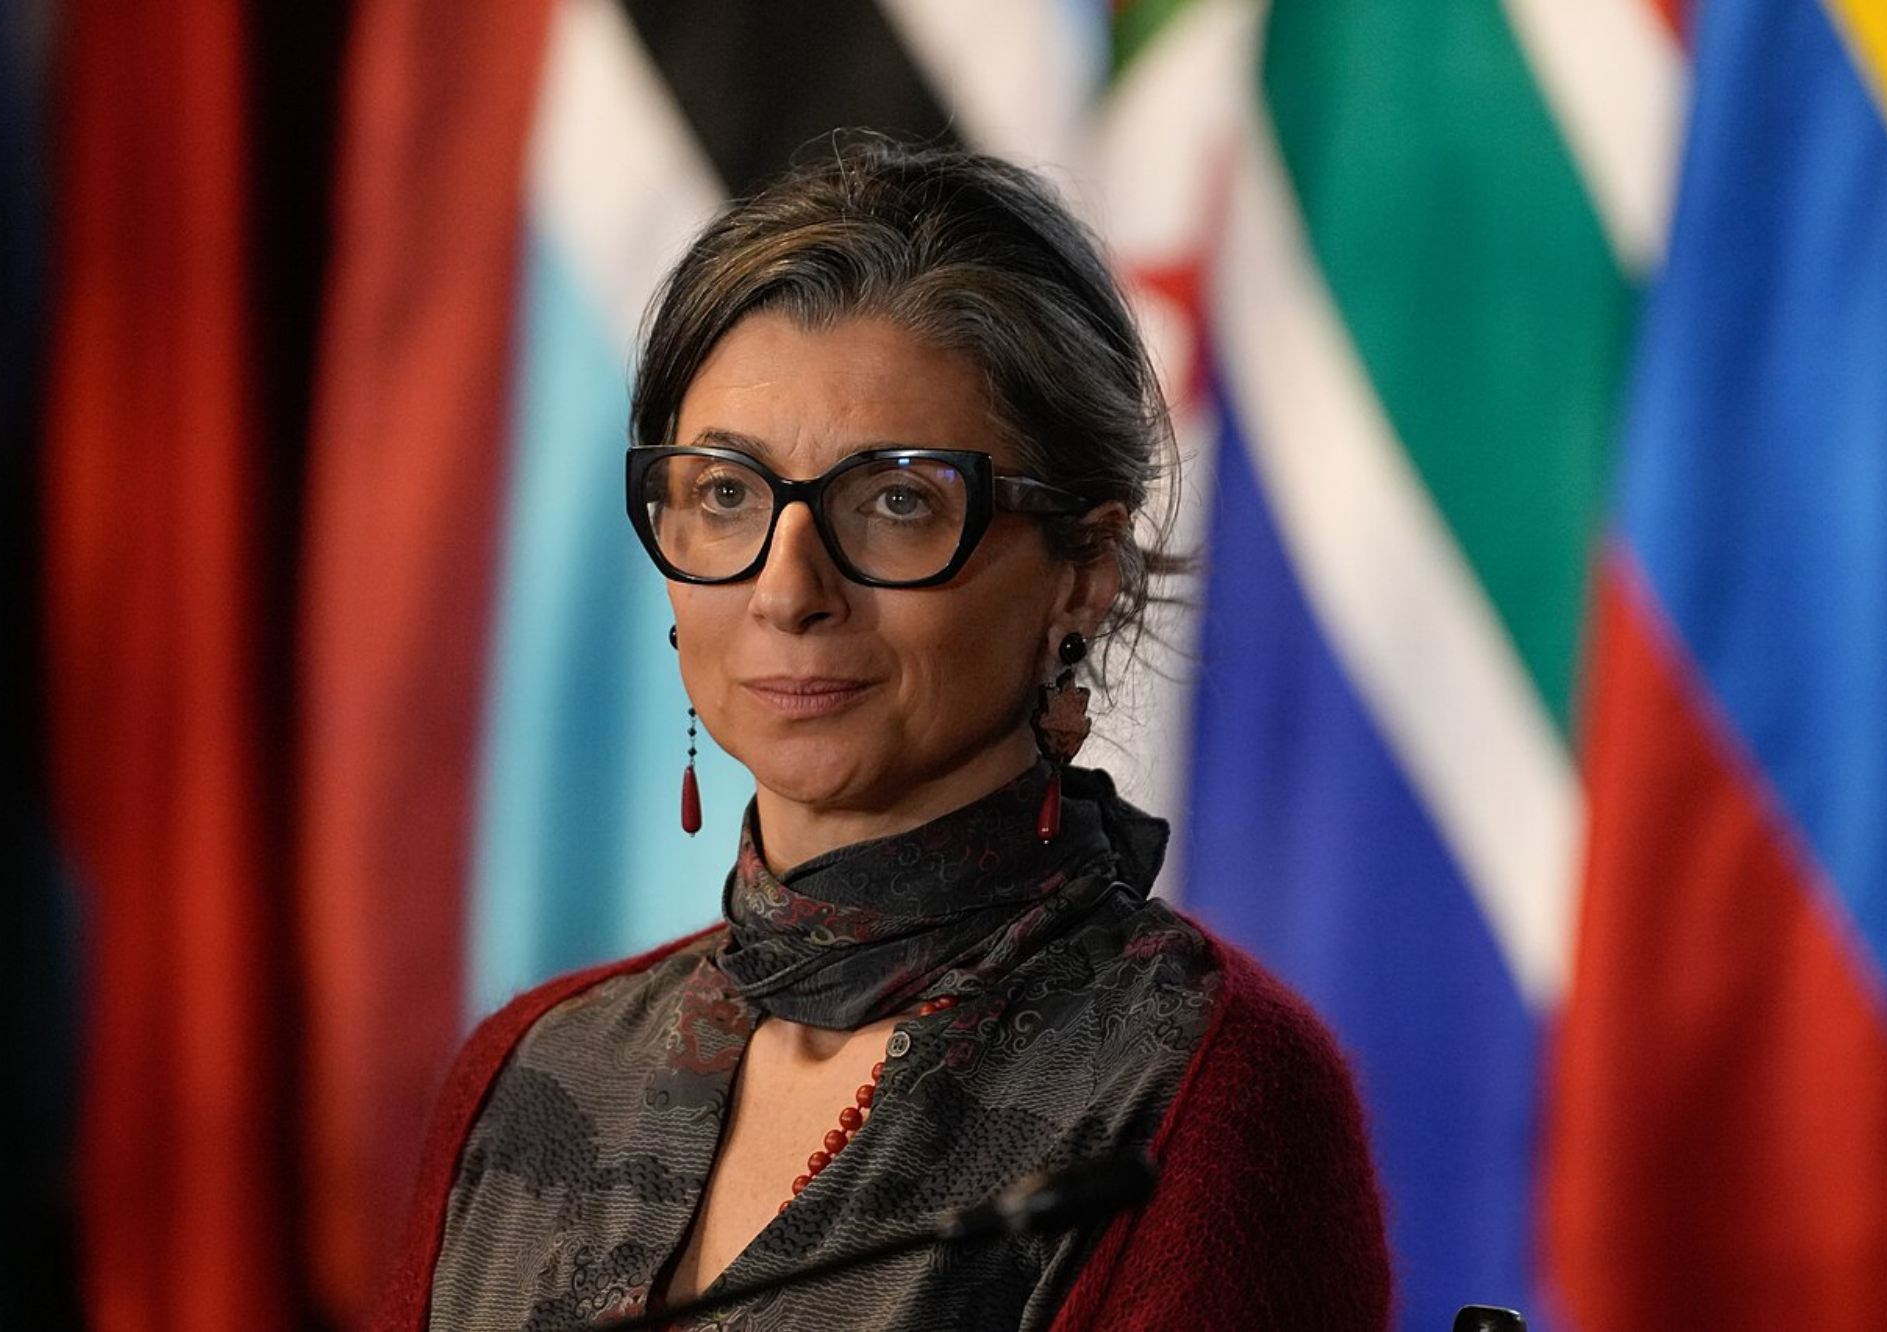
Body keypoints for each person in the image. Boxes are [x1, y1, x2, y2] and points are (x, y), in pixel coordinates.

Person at [369, 135, 1389, 1331]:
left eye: (897, 500)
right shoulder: (533, 1071)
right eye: (725, 494)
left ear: (1082, 572)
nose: (787, 589)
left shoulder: (1201, 1096)